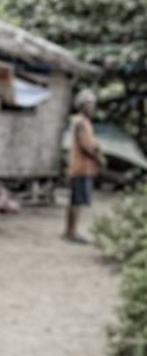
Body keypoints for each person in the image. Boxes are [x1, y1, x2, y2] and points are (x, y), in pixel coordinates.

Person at [63, 89, 104, 244]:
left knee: (75, 200)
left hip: (81, 166)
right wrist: (98, 157)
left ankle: (69, 231)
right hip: (81, 167)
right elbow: (85, 145)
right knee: (77, 201)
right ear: (82, 106)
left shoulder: (82, 122)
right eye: (89, 104)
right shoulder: (81, 122)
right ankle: (72, 232)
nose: (92, 107)